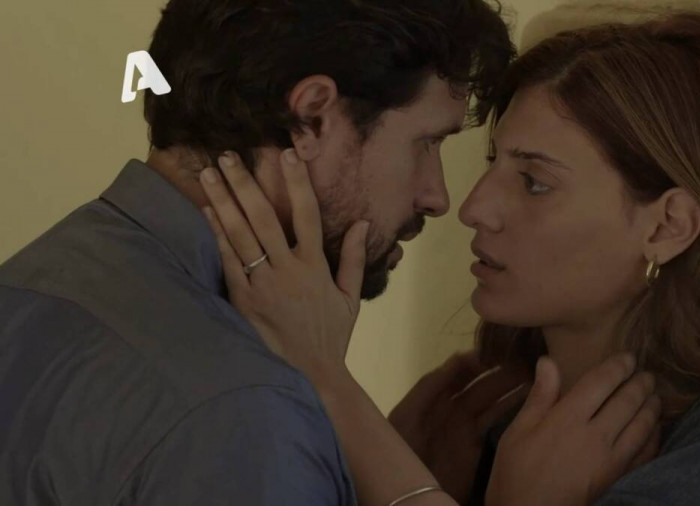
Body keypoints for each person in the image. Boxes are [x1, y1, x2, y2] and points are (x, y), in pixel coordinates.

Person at [199, 12, 700, 506]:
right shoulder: (481, 416)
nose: (473, 208)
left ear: (667, 227)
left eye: (535, 182)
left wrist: (326, 382)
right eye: (493, 164)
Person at [0, 1, 532, 504]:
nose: (437, 197)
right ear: (312, 118)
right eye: (427, 143)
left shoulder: (23, 288)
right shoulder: (249, 413)